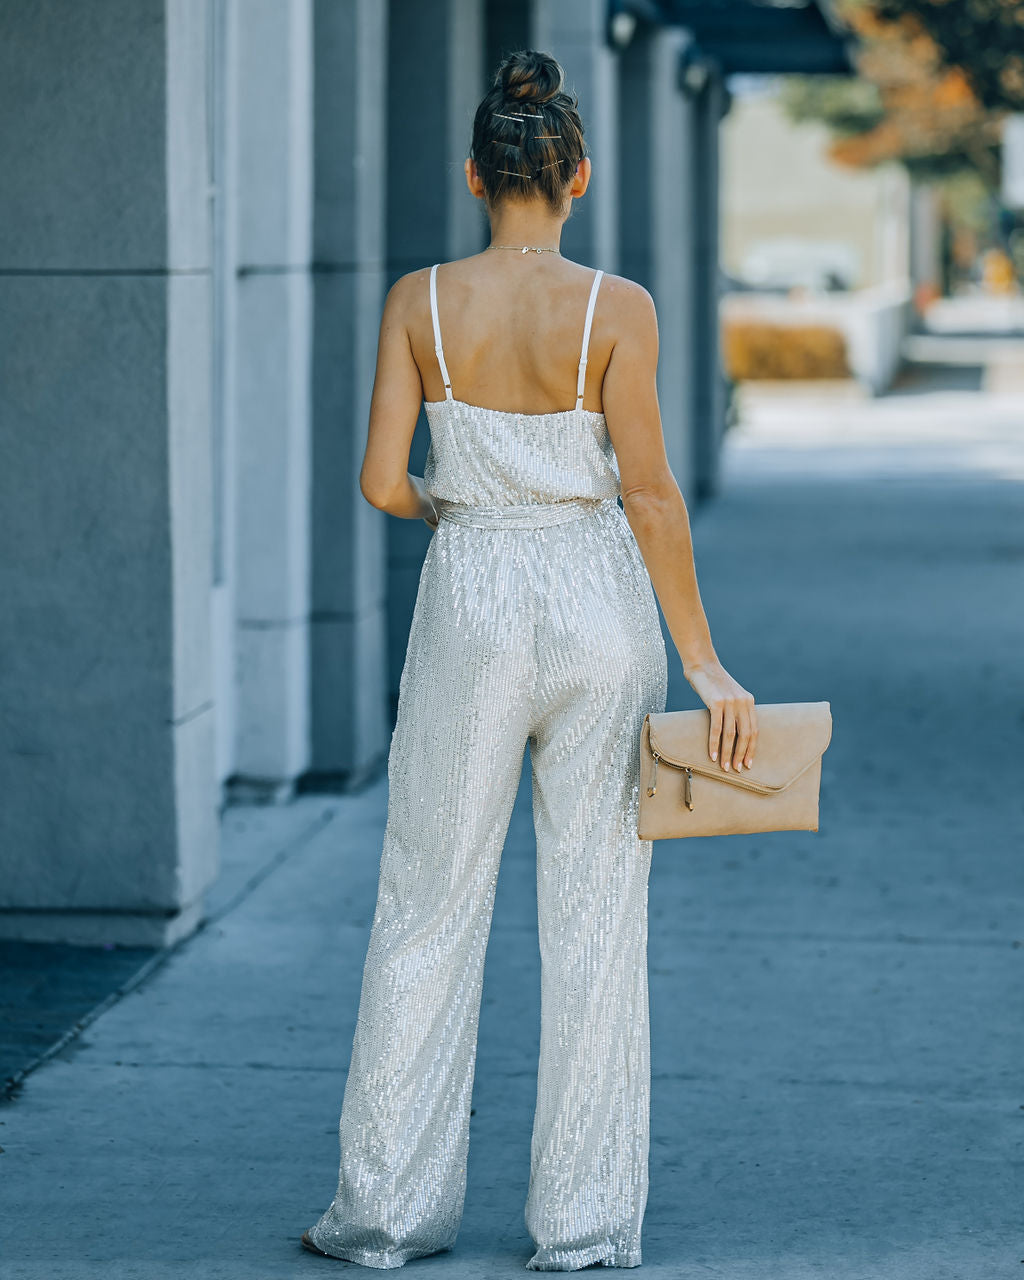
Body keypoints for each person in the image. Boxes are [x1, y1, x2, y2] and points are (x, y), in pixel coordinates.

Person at [302, 49, 756, 1272]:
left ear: (471, 174)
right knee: (596, 909)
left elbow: (380, 481)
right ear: (579, 178)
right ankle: (581, 1225)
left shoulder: (418, 302)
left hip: (474, 596)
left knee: (428, 899)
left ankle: (387, 1212)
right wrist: (703, 663)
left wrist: (464, 508)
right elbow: (652, 495)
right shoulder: (621, 308)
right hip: (599, 602)